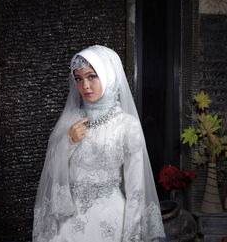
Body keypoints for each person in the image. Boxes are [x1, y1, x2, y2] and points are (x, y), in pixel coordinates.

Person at [33, 45, 165, 242]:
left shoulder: (127, 125)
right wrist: (68, 142)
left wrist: (130, 237)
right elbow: (52, 174)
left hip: (110, 223)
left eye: (91, 76)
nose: (85, 86)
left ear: (109, 75)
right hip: (68, 223)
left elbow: (136, 190)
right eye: (78, 78)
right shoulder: (70, 122)